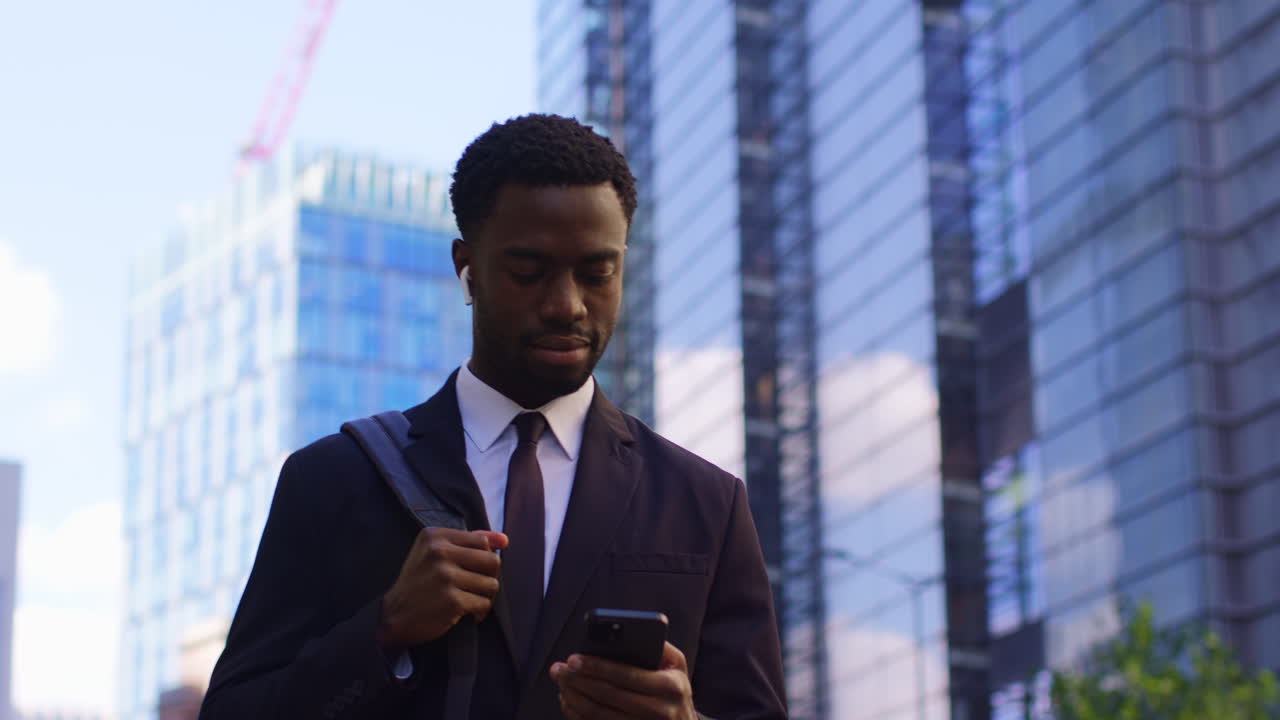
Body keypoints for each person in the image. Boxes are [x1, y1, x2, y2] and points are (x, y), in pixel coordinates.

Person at [198, 114, 786, 719]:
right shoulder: (332, 480)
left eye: (597, 273)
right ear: (466, 266)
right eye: (528, 272)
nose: (566, 304)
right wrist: (385, 627)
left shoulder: (707, 504)